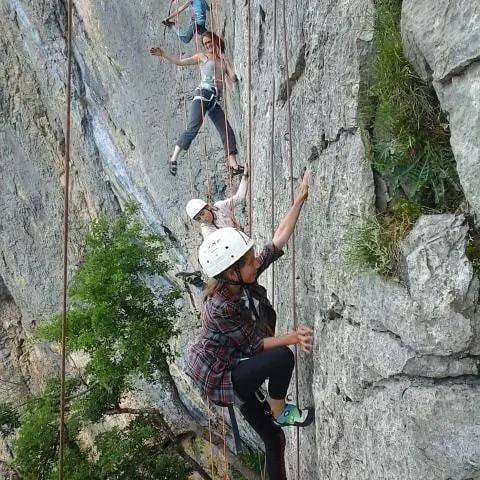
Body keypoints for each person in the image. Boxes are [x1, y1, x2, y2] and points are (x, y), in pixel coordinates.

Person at [185, 171, 314, 480]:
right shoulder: (220, 308)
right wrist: (292, 338)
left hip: (234, 363)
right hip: (220, 376)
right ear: (230, 272)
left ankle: (277, 413)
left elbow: (276, 242)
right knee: (283, 356)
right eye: (246, 262)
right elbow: (256, 346)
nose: (254, 263)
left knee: (274, 439)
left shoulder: (242, 274)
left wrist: (299, 199)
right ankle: (279, 409)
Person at [150, 32, 243, 176]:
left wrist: (227, 63)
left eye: (209, 42)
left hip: (213, 101)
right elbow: (181, 62)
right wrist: (164, 54)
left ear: (215, 40)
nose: (207, 45)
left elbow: (233, 78)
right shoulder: (202, 57)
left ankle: (233, 165)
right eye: (205, 44)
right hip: (201, 95)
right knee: (194, 127)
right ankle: (173, 158)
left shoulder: (223, 61)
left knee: (226, 130)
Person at [186, 164, 249, 238]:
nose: (203, 219)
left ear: (208, 207)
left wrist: (245, 176)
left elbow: (239, 197)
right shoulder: (208, 231)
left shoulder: (220, 207)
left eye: (202, 214)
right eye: (198, 219)